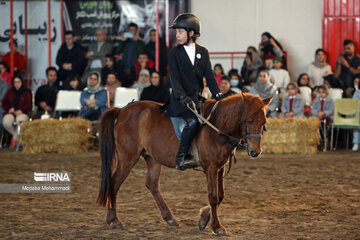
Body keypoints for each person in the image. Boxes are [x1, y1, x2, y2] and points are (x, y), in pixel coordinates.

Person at [165, 13, 223, 170]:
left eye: (180, 32)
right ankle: (181, 157)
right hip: (180, 100)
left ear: (191, 33)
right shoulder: (174, 53)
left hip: (196, 99)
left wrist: (217, 94)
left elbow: (209, 76)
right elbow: (175, 80)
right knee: (193, 122)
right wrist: (183, 98)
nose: (177, 35)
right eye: (176, 32)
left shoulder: (202, 52)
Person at [2, 76, 32, 147]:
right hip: (11, 112)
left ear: (22, 82)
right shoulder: (10, 92)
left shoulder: (27, 92)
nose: (17, 84)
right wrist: (9, 109)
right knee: (6, 122)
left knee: (20, 122)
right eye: (15, 82)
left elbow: (29, 105)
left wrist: (21, 110)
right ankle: (18, 138)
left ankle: (15, 140)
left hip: (22, 113)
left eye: (18, 82)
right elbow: (4, 103)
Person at [115, 23, 145, 87]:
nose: (132, 32)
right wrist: (122, 41)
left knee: (134, 86)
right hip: (123, 68)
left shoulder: (140, 42)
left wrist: (136, 41)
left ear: (136, 31)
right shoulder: (125, 41)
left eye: (133, 30)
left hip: (134, 69)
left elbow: (142, 53)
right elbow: (117, 51)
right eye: (130, 30)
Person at [352, 84, 360, 151]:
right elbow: (354, 104)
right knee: (356, 121)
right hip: (358, 113)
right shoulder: (357, 92)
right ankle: (356, 143)